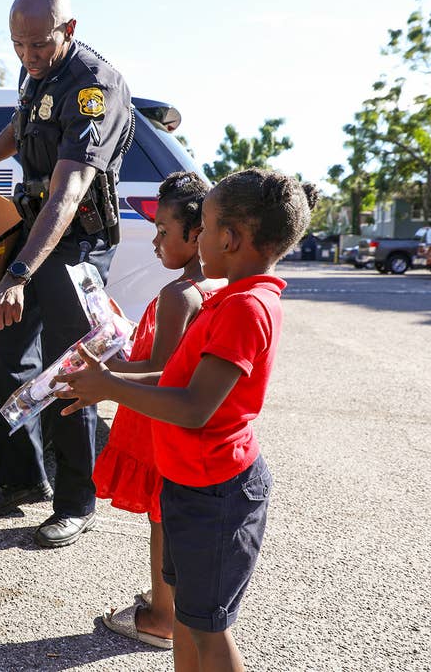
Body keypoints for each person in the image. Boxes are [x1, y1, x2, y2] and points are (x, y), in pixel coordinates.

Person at [54, 168, 315, 671]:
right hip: (189, 483)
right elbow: (174, 375)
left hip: (216, 494)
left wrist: (110, 386)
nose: (197, 236)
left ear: (229, 238)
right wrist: (104, 378)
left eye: (207, 224)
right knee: (187, 621)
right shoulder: (229, 298)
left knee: (208, 630)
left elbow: (194, 407)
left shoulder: (246, 307)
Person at [0, 0, 134, 548]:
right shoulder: (34, 72)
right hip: (32, 234)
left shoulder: (92, 85)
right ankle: (22, 481)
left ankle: (77, 502)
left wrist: (17, 276)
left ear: (70, 30)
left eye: (38, 45)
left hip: (74, 242)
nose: (28, 56)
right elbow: (20, 126)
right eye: (18, 45)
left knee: (70, 370)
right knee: (9, 360)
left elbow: (68, 192)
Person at [94, 171, 224, 649]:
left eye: (163, 231)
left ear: (196, 233)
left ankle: (160, 616)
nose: (155, 242)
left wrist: (107, 364)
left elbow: (159, 370)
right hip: (197, 425)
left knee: (160, 521)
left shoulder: (178, 294)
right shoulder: (221, 284)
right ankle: (169, 601)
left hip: (160, 423)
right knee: (177, 521)